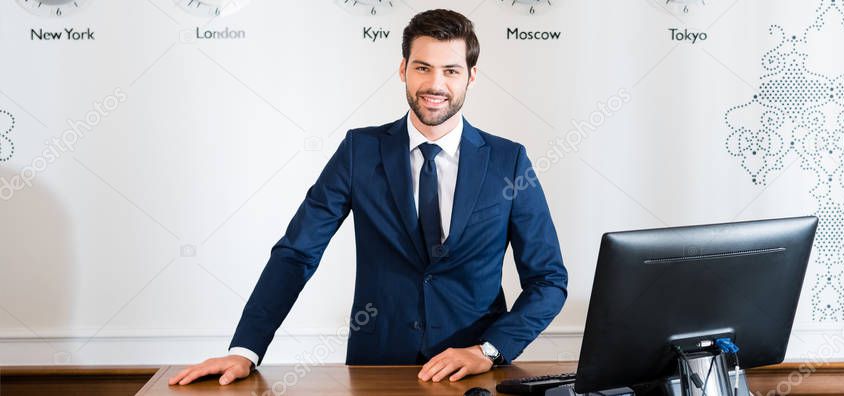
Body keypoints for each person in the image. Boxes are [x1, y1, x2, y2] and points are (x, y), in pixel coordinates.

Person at [169, 8, 568, 386]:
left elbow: (548, 280)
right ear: (402, 70)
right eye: (422, 68)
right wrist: (245, 349)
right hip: (377, 366)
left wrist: (489, 350)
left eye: (451, 70)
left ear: (472, 76)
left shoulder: (508, 160)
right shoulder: (360, 151)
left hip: (476, 374)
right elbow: (297, 253)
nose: (435, 84)